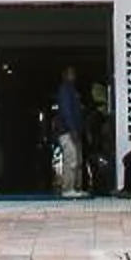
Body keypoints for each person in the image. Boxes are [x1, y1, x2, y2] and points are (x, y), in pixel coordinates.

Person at [52, 65, 88, 197]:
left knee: (78, 160)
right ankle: (68, 189)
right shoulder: (64, 90)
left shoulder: (72, 90)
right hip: (67, 131)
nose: (74, 75)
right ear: (64, 75)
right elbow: (67, 111)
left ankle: (77, 188)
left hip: (75, 131)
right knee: (71, 158)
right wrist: (72, 129)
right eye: (71, 73)